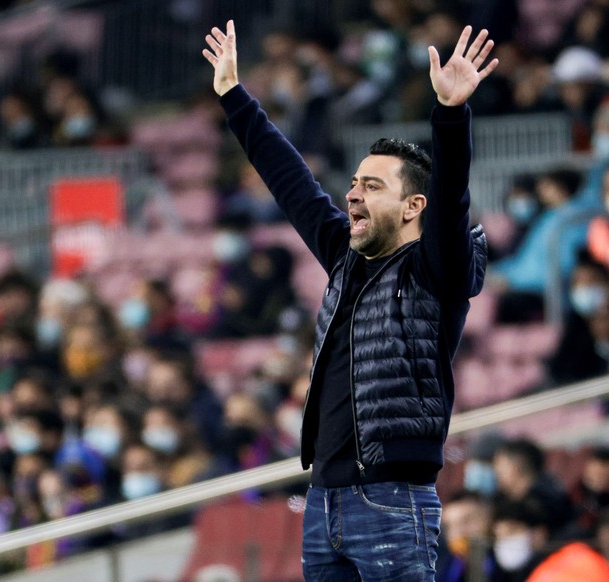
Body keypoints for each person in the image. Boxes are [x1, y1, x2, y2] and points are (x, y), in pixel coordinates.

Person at [203, 19, 493, 581]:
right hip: (322, 500)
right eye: (355, 182)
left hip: (391, 501)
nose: (353, 193)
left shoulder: (438, 270)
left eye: (373, 186)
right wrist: (233, 96)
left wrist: (451, 115)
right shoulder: (344, 254)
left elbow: (451, 197)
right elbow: (291, 182)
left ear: (413, 207)